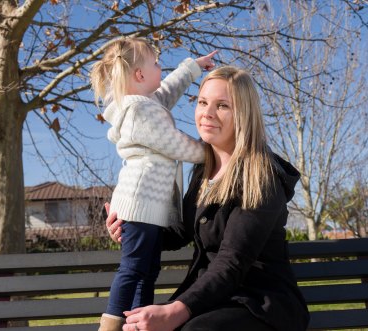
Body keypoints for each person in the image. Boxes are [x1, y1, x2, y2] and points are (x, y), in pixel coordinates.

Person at [105, 66, 310, 331]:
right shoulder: (203, 170)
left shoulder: (262, 176)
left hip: (260, 304)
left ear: (243, 114)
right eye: (203, 102)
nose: (207, 114)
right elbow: (180, 231)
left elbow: (232, 261)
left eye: (222, 105)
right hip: (211, 299)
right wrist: (131, 228)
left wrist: (175, 311)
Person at [90, 37, 218, 331]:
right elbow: (176, 145)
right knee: (134, 268)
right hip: (140, 204)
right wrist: (211, 149)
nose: (162, 67)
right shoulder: (140, 112)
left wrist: (193, 68)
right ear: (140, 76)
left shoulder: (146, 104)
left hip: (145, 206)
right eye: (157, 63)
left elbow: (170, 89)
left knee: (147, 270)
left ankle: (136, 323)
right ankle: (110, 326)